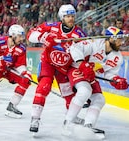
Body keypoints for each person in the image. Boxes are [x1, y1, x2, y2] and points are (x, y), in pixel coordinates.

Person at [26, 4, 86, 133]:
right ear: (61, 17)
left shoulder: (79, 34)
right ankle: (35, 118)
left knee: (68, 94)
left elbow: (84, 54)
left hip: (64, 67)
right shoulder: (51, 27)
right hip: (48, 63)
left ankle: (72, 116)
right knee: (43, 87)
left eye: (72, 16)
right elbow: (30, 34)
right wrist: (43, 37)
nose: (71, 19)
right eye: (68, 16)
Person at [62, 26, 128, 138]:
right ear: (110, 39)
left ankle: (88, 126)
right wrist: (82, 64)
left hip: (91, 75)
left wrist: (116, 80)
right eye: (119, 39)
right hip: (77, 68)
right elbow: (74, 48)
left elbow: (109, 74)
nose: (121, 42)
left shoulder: (118, 57)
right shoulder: (95, 43)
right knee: (84, 91)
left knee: (99, 99)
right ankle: (67, 122)